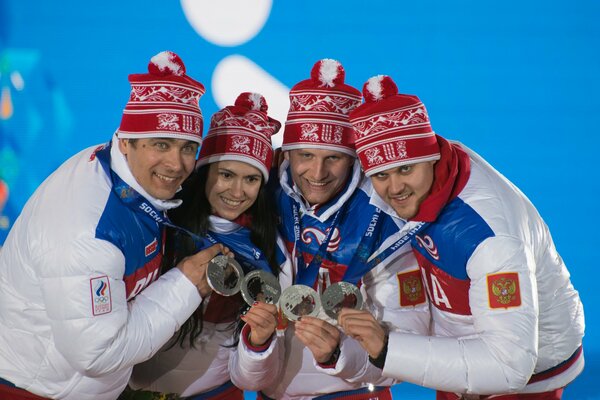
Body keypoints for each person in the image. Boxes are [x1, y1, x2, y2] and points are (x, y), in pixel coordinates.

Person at [338, 74, 585, 399]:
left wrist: (387, 349)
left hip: (528, 374)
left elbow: (509, 367)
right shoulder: (433, 168)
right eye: (382, 175)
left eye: (406, 170)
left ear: (430, 158)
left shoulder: (489, 236)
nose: (395, 188)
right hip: (463, 349)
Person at [0, 51, 228, 400]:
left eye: (187, 148)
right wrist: (186, 284)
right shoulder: (89, 230)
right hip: (38, 391)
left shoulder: (122, 174)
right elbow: (98, 354)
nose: (176, 163)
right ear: (126, 142)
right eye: (161, 145)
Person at [230, 60, 430, 399]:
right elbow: (244, 376)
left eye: (333, 158)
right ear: (287, 153)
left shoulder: (386, 218)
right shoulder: (257, 203)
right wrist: (255, 344)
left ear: (354, 159)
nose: (318, 172)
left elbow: (406, 350)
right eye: (306, 154)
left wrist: (337, 355)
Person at [125, 92, 288, 400]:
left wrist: (259, 342)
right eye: (226, 175)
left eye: (252, 179)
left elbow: (253, 377)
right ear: (205, 172)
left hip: (215, 393)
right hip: (125, 387)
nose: (237, 192)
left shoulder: (267, 245)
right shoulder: (161, 219)